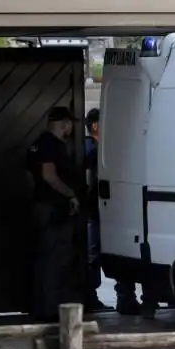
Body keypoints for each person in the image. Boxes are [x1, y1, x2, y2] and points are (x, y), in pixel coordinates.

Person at [27, 107, 82, 322]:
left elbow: (29, 176)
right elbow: (49, 176)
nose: (71, 128)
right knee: (56, 259)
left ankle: (44, 307)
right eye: (70, 123)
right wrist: (71, 195)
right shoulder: (51, 145)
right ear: (64, 123)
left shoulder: (37, 143)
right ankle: (51, 310)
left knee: (45, 258)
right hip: (53, 208)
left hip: (43, 206)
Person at [83, 109, 114, 314]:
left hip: (95, 208)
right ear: (95, 126)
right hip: (94, 209)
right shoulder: (92, 147)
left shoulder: (91, 146)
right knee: (92, 254)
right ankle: (90, 297)